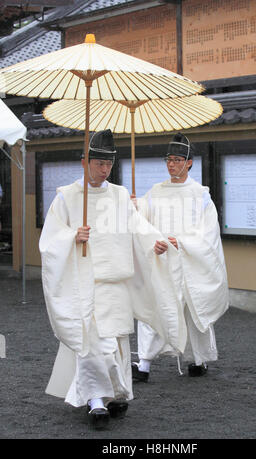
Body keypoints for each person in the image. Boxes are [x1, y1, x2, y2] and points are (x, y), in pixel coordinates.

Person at [39, 129, 186, 430]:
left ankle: (118, 393)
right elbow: (49, 240)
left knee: (118, 341)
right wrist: (71, 236)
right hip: (87, 282)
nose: (104, 170)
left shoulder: (119, 195)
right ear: (85, 162)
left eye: (109, 164)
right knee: (95, 343)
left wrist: (154, 242)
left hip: (116, 281)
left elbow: (138, 227)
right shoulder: (67, 197)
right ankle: (95, 400)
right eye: (99, 163)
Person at [131, 132, 229, 382]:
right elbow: (144, 219)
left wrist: (183, 243)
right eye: (168, 159)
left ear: (189, 163)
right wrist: (134, 206)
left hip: (189, 260)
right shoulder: (156, 191)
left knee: (194, 310)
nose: (171, 164)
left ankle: (198, 359)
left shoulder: (200, 194)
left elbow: (209, 233)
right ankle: (143, 362)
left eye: (177, 159)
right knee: (156, 308)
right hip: (162, 260)